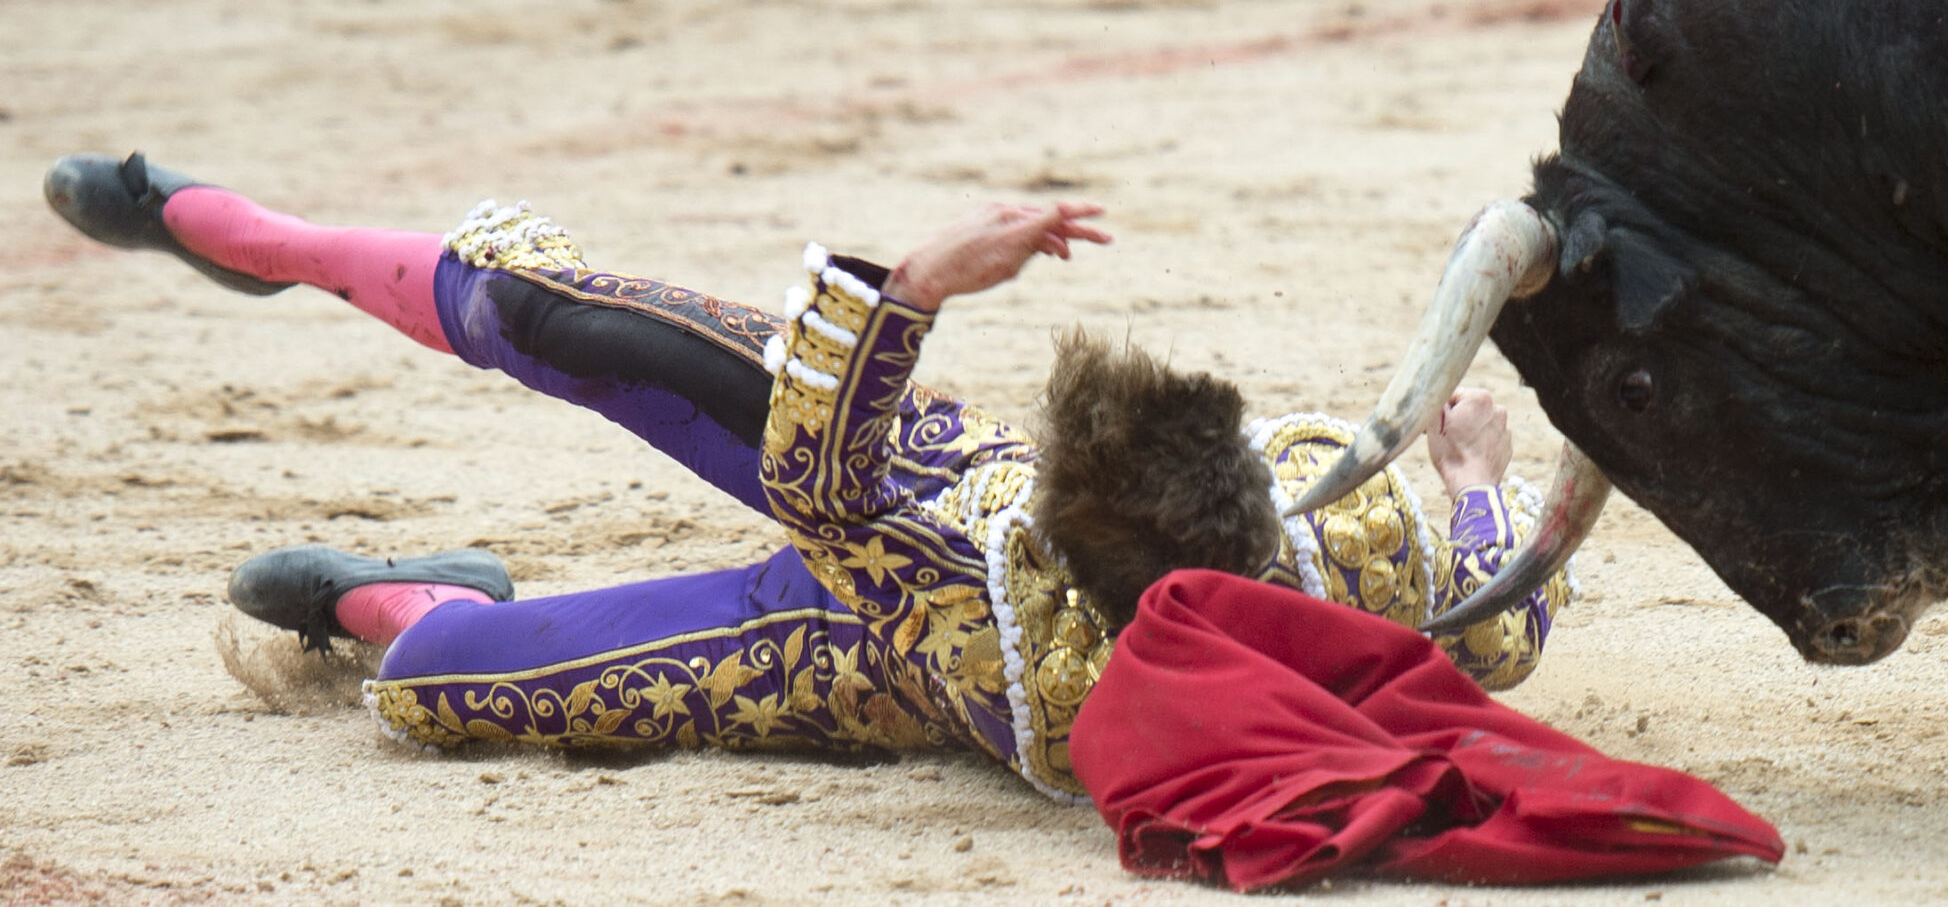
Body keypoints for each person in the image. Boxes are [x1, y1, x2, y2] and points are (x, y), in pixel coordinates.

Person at [41, 152, 1570, 799]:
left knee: (453, 677)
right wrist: (1484, 478)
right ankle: (243, 234)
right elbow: (1496, 634)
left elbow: (822, 470)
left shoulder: (987, 601)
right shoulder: (1342, 531)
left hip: (869, 645)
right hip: (908, 474)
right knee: (544, 314)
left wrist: (913, 287)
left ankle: (405, 597)